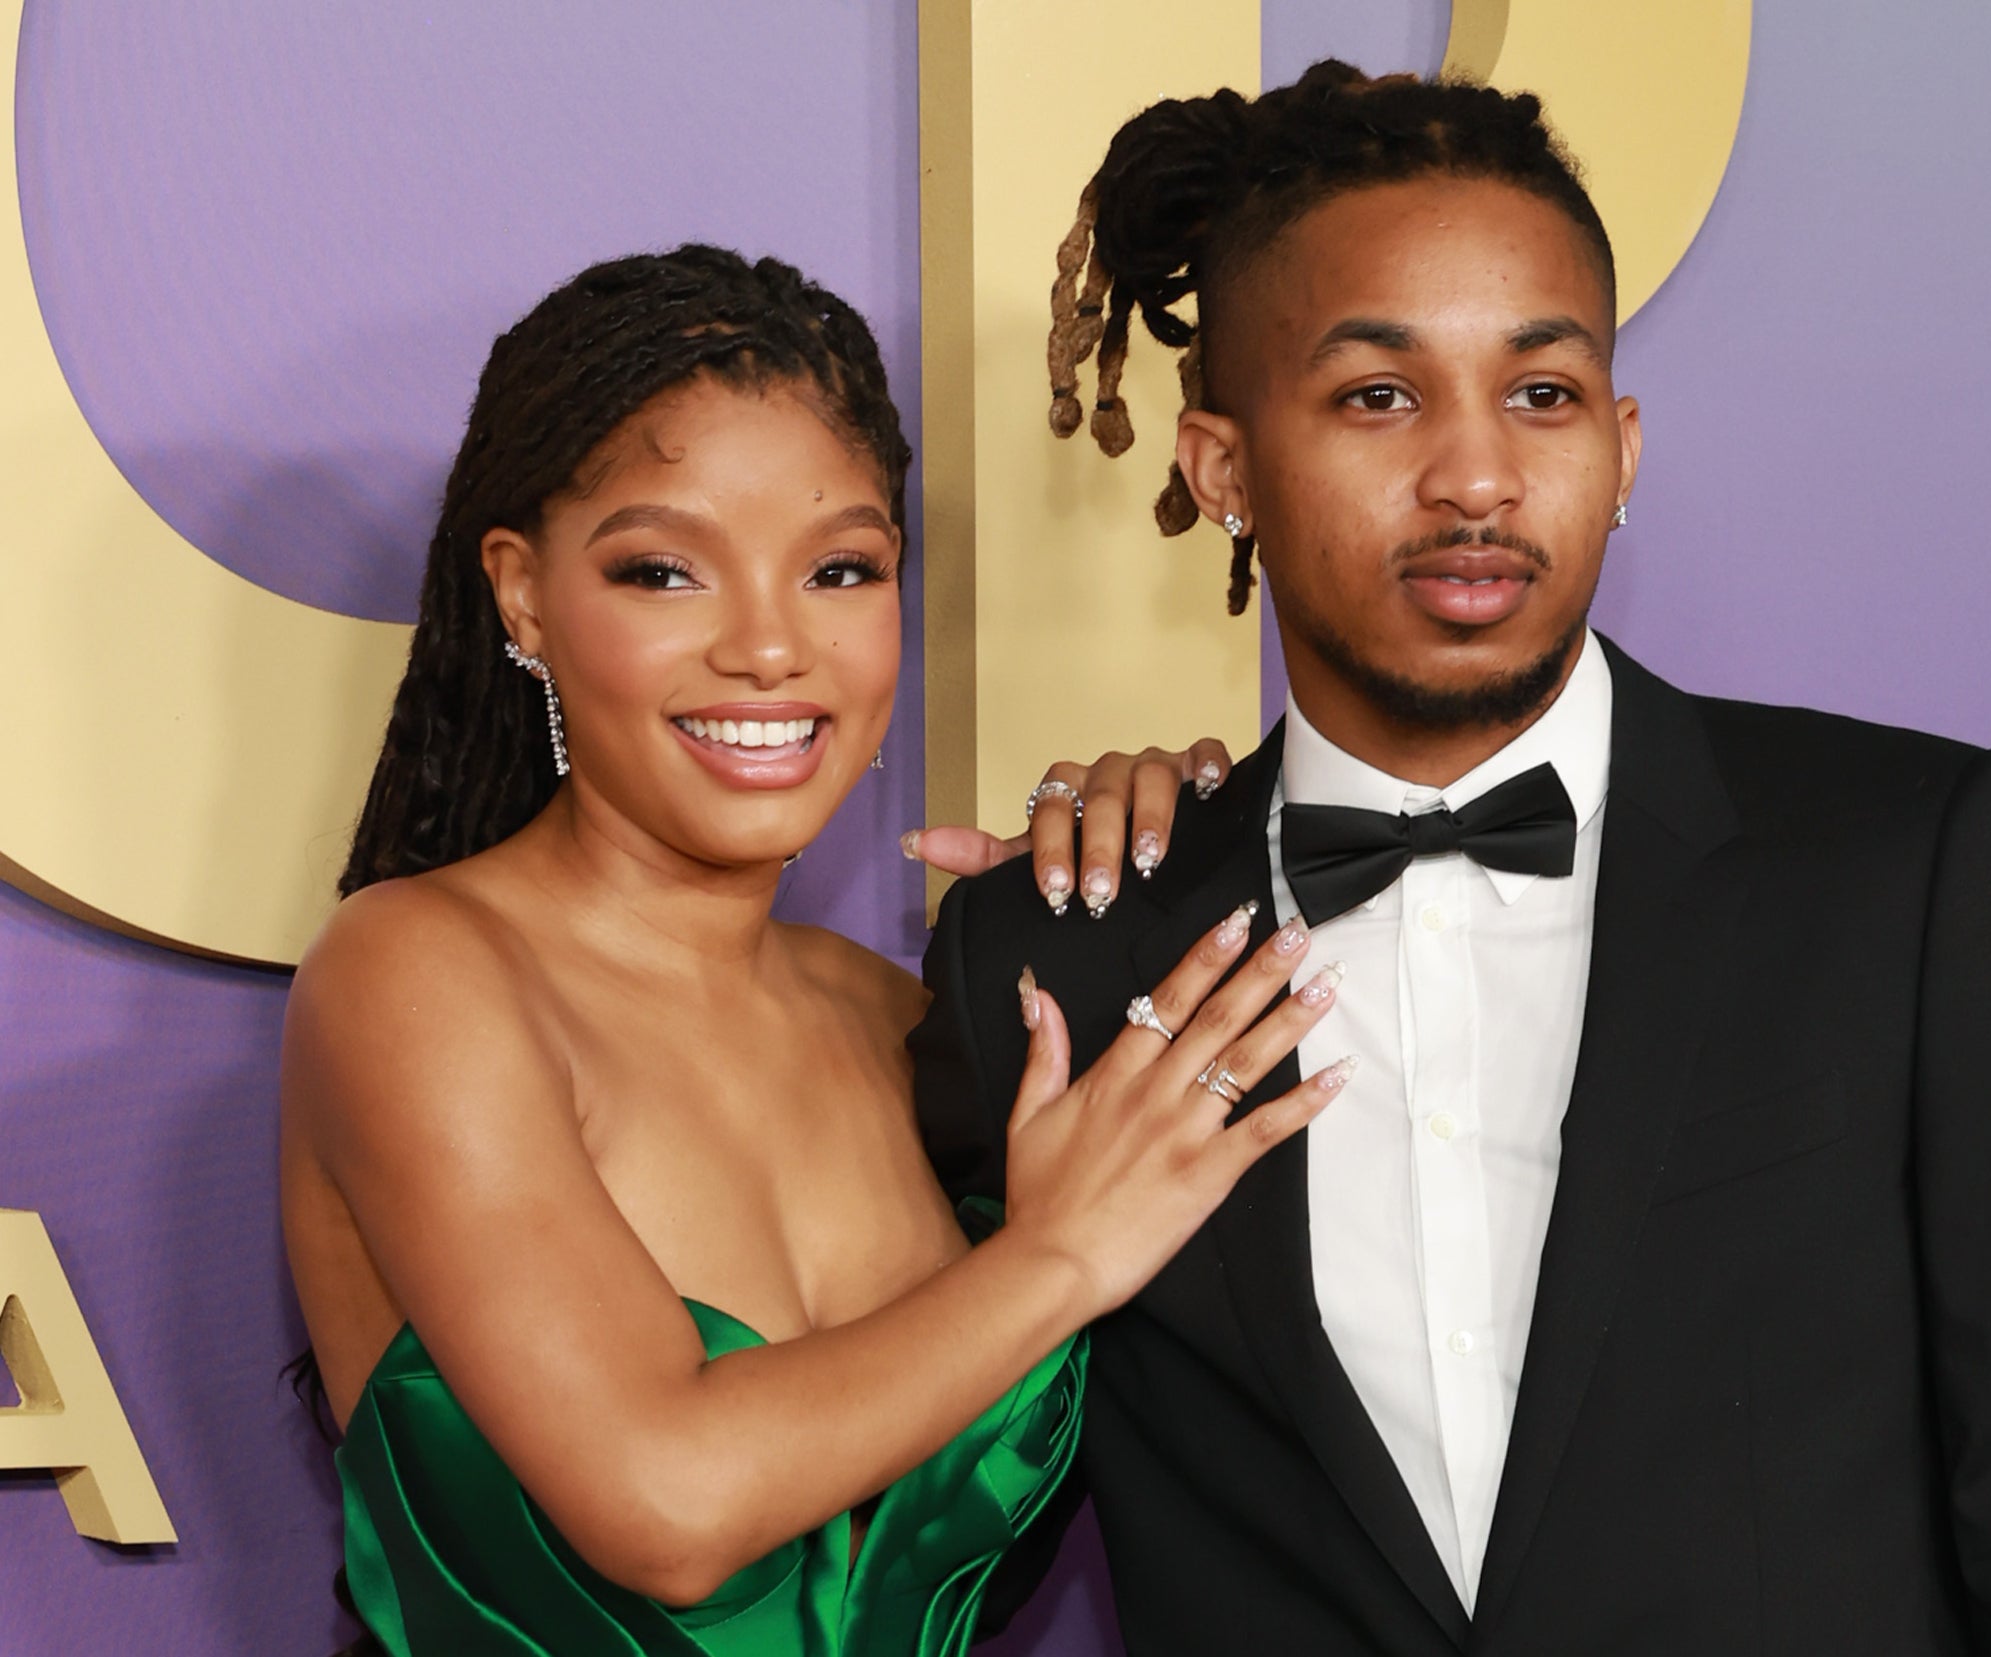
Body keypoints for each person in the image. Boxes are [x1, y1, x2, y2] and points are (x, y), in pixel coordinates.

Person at [909, 63, 1991, 1654]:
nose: (1475, 475)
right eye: (1376, 397)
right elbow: (912, 1515)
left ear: (1623, 440)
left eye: (1542, 392)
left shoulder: (1908, 864)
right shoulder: (1055, 958)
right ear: (1221, 469)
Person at [277, 245, 1355, 1656]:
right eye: (665, 570)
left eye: (840, 567)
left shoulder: (898, 1013)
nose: (770, 647)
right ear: (523, 595)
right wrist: (1054, 1259)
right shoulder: (412, 971)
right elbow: (667, 1504)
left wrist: (1157, 881)